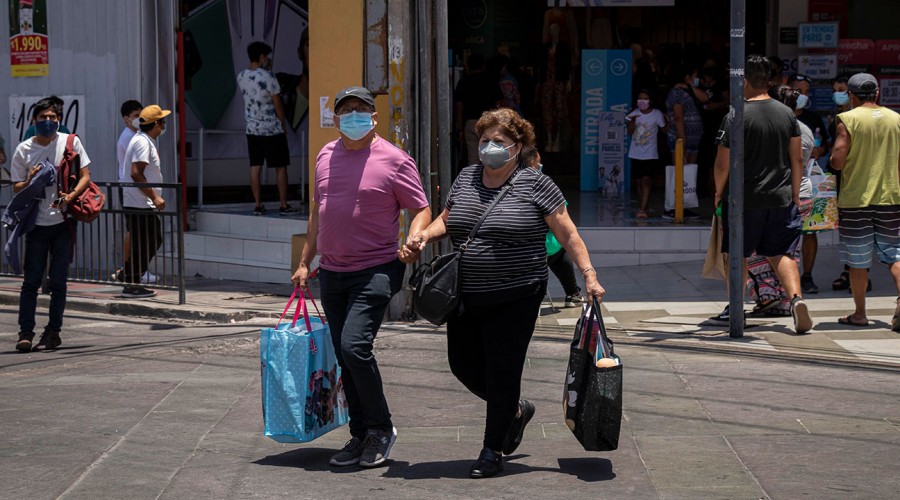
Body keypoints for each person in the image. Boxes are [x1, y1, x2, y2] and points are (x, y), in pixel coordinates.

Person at [402, 107, 605, 478]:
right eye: (484, 140)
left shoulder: (537, 184)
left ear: (518, 146)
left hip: (517, 294)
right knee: (462, 366)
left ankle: (491, 448)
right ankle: (513, 410)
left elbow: (568, 234)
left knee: (502, 370)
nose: (490, 147)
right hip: (465, 294)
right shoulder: (466, 178)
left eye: (499, 141)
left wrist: (588, 275)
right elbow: (447, 219)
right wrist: (422, 237)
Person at [291, 86, 430, 469]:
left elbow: (420, 207)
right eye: (345, 109)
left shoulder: (395, 160)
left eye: (361, 109)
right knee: (343, 354)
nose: (353, 115)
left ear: (373, 116)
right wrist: (305, 261)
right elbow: (317, 213)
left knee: (354, 347)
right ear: (335, 118)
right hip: (332, 271)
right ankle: (360, 434)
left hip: (377, 269)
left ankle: (381, 428)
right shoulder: (324, 156)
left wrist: (416, 238)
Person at [713, 55, 813, 335]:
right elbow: (796, 160)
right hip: (781, 197)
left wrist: (718, 192)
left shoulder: (735, 115)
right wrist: (794, 192)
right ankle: (796, 299)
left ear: (743, 81)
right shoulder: (786, 114)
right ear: (769, 81)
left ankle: (736, 308)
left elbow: (722, 163)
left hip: (744, 199)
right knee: (781, 253)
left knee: (738, 254)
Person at [9, 98, 92, 351]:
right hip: (36, 225)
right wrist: (30, 181)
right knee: (31, 281)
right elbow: (16, 186)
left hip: (63, 223)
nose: (48, 122)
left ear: (59, 121)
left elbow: (86, 176)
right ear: (34, 121)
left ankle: (53, 331)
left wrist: (71, 196)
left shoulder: (70, 142)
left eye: (53, 118)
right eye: (43, 118)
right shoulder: (24, 150)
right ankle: (25, 332)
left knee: (58, 281)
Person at [828, 73, 900, 330]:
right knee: (895, 253)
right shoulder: (896, 119)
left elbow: (837, 160)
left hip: (856, 199)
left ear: (851, 96)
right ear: (877, 93)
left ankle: (859, 313)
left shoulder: (847, 119)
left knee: (858, 260)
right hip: (891, 196)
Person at [237, 41, 294, 216]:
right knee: (280, 166)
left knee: (255, 166)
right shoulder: (269, 77)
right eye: (266, 56)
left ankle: (258, 204)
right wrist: (282, 124)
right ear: (262, 56)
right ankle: (283, 204)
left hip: (252, 129)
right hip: (272, 129)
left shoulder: (241, 76)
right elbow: (278, 104)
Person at [826, 75, 871, 293]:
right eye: (836, 90)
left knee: (860, 236)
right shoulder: (834, 117)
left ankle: (859, 276)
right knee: (850, 234)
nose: (839, 94)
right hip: (844, 183)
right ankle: (851, 272)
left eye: (842, 90)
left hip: (857, 183)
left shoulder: (849, 120)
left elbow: (838, 158)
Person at [120, 105, 169, 299]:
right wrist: (154, 196)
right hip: (139, 202)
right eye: (163, 121)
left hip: (139, 201)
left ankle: (128, 276)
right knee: (149, 241)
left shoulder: (143, 140)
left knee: (149, 240)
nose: (164, 125)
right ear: (156, 123)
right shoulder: (142, 142)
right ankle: (132, 282)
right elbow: (136, 173)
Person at [526, 148, 583, 307]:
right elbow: (563, 224)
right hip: (543, 250)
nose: (540, 165)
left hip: (524, 252)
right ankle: (573, 294)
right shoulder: (544, 184)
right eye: (538, 162)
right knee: (560, 247)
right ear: (532, 163)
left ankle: (573, 294)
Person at [454, 53, 503, 165]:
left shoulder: (463, 82)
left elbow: (459, 107)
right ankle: (489, 180)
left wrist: (460, 128)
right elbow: (499, 102)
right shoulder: (491, 81)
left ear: (468, 66)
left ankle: (474, 181)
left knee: (473, 158)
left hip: (470, 122)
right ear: (483, 65)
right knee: (491, 156)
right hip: (489, 122)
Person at [626, 89, 667, 218]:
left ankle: (643, 209)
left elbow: (664, 129)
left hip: (650, 153)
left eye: (645, 98)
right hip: (635, 153)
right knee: (639, 181)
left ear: (651, 101)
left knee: (646, 180)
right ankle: (644, 205)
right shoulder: (633, 113)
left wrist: (669, 121)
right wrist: (633, 120)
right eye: (640, 98)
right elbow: (630, 132)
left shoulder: (656, 114)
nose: (642, 101)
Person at [787, 73, 830, 161]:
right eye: (799, 91)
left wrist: (820, 150)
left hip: (807, 169)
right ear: (788, 91)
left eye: (806, 92)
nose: (803, 95)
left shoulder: (814, 118)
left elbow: (825, 144)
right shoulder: (779, 115)